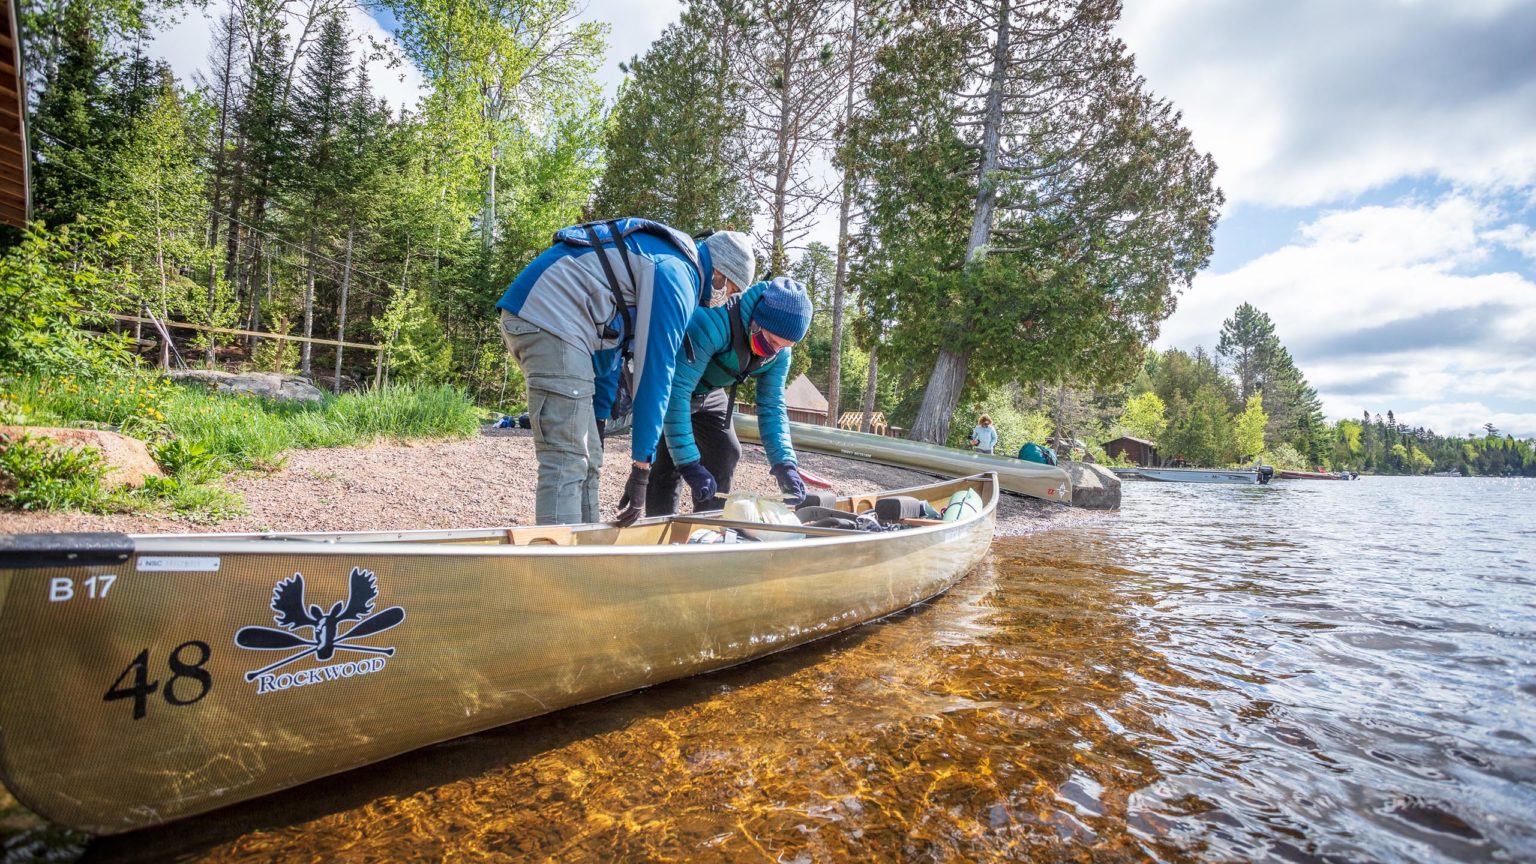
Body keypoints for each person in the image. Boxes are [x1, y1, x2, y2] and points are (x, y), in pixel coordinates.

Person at [496, 218, 755, 526]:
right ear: (719, 274)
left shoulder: (672, 265)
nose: (725, 300)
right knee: (567, 458)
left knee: (590, 456)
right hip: (549, 317)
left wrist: (600, 418)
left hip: (562, 323)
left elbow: (609, 350)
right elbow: (655, 373)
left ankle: (588, 555)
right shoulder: (677, 274)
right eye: (730, 290)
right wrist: (642, 467)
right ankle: (558, 568)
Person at [647, 276, 814, 516]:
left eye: (784, 346)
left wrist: (785, 464)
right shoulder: (713, 322)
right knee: (669, 462)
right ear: (757, 321)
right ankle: (658, 535)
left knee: (726, 450)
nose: (774, 351)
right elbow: (677, 392)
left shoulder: (779, 354)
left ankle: (708, 530)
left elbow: (772, 406)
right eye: (771, 341)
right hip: (675, 387)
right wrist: (690, 464)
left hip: (711, 392)